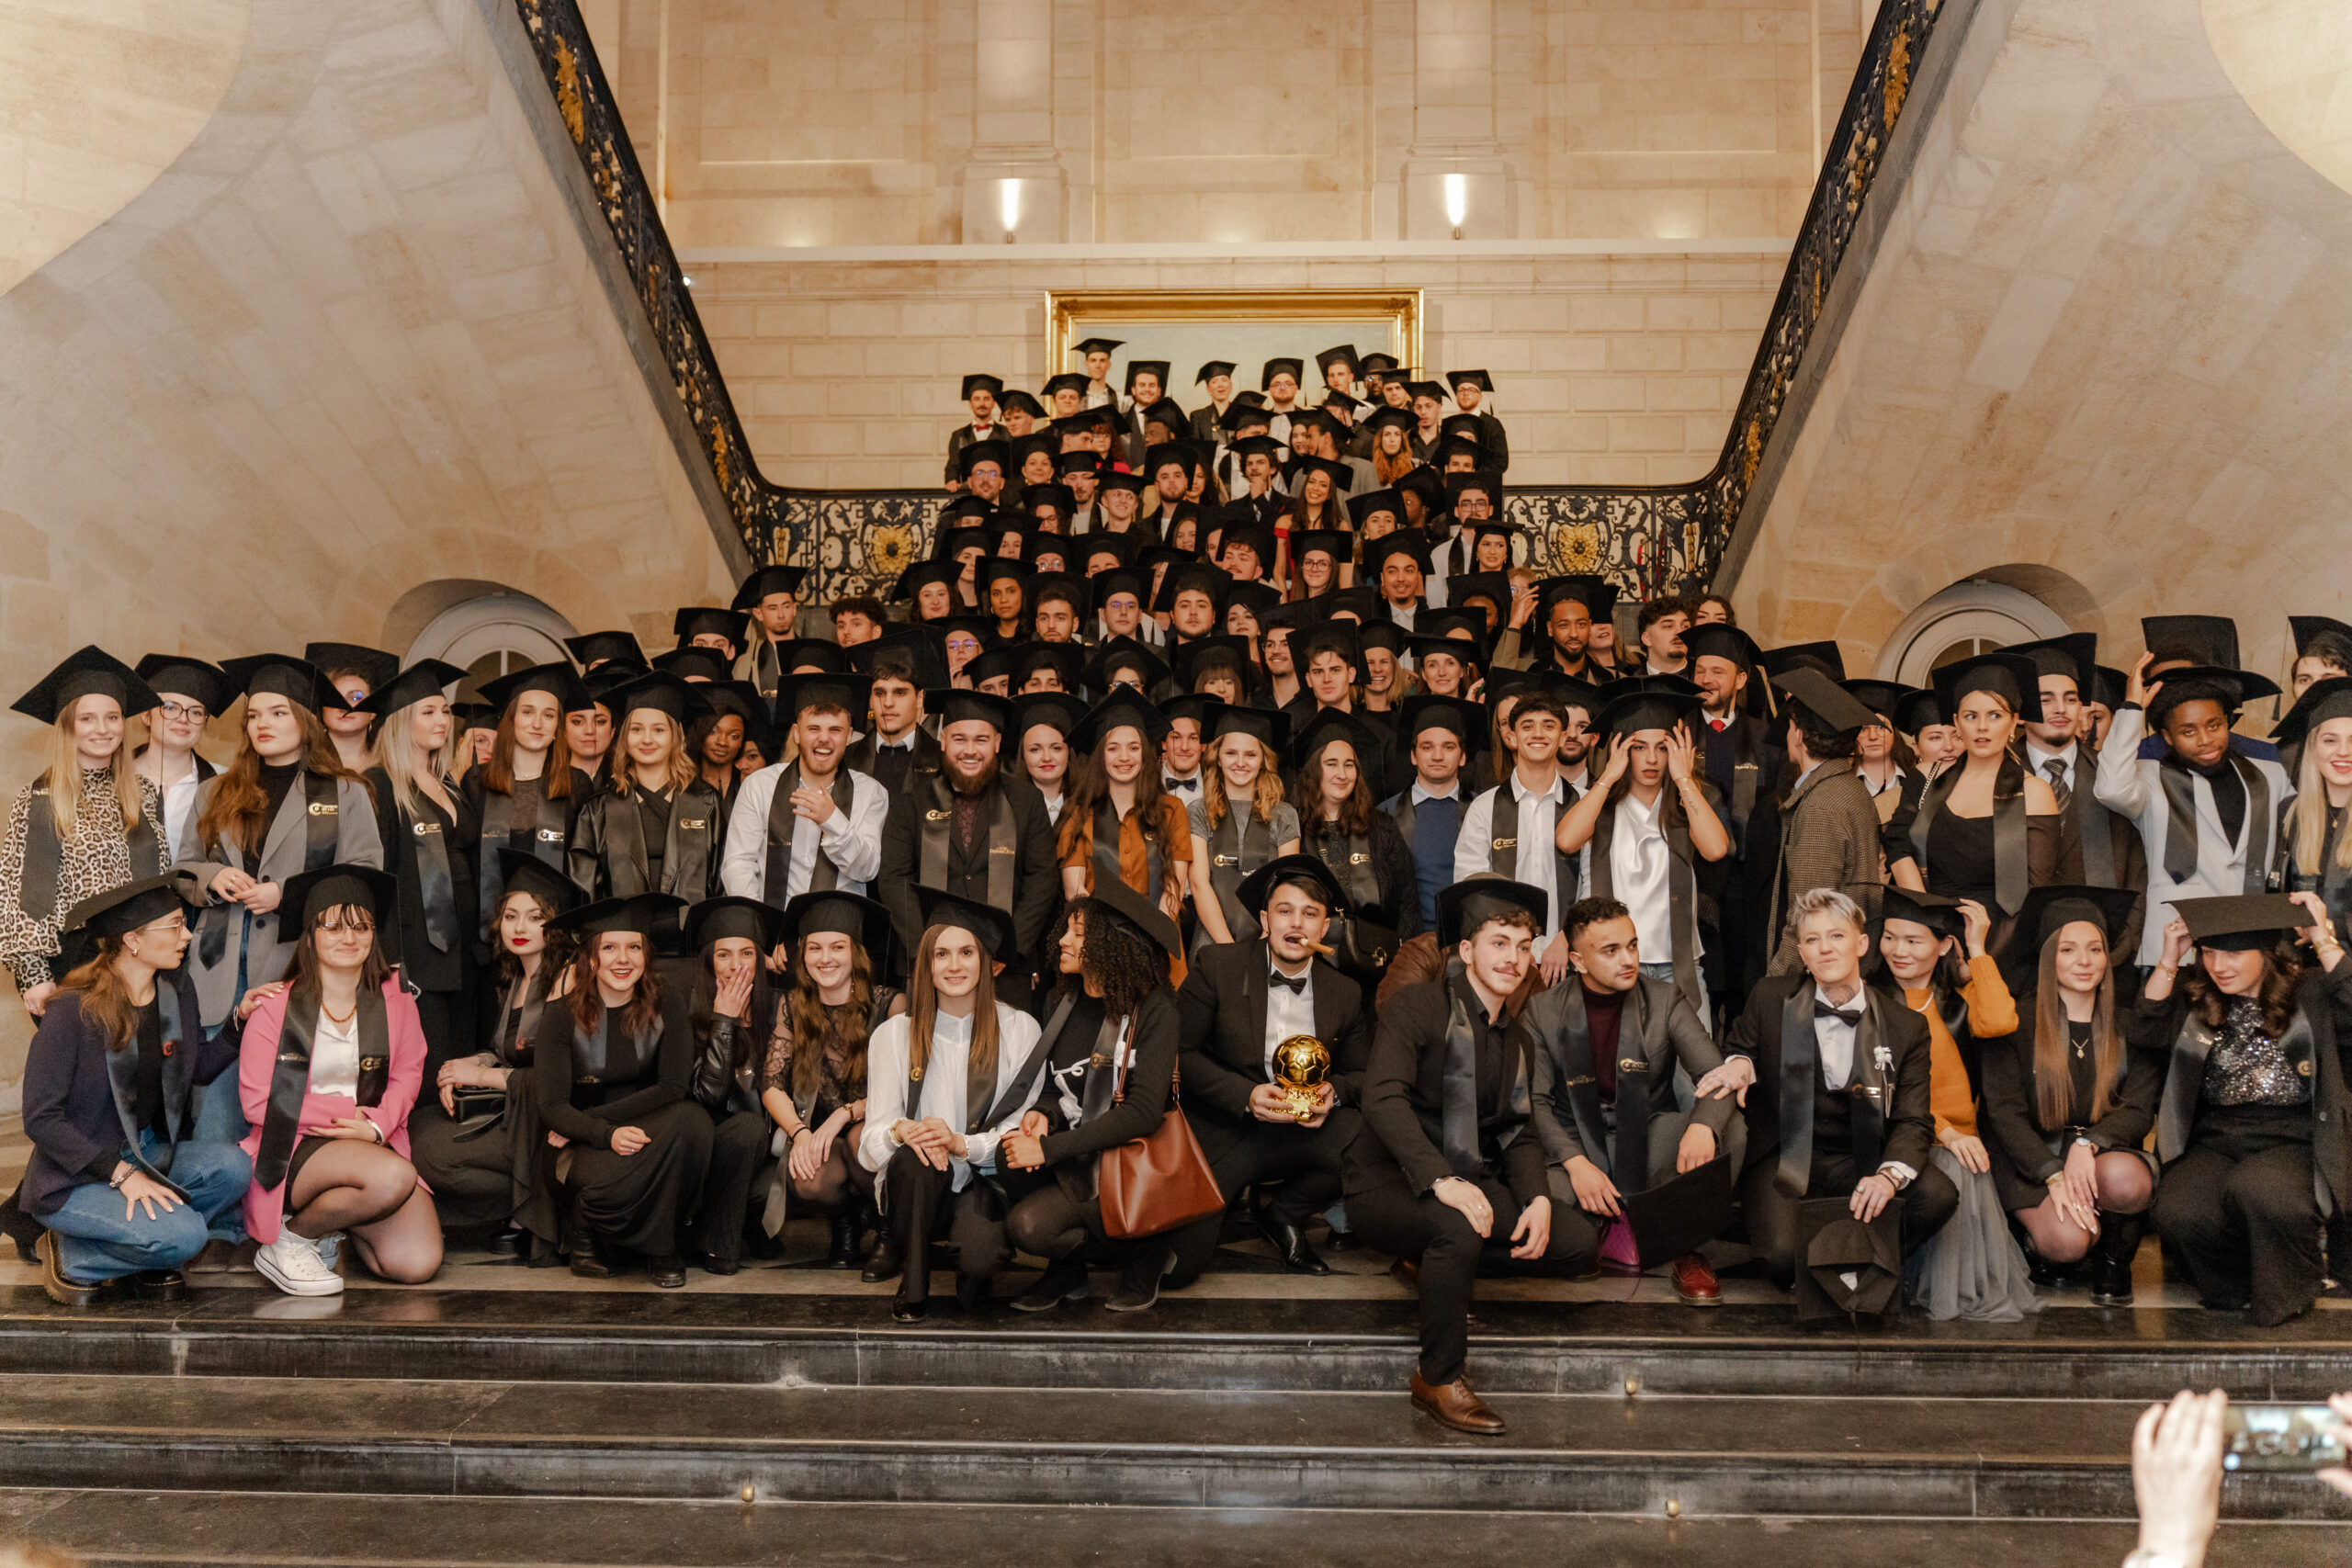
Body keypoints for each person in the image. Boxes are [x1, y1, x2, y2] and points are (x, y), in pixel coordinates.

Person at [1347, 877, 1599, 1436]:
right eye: (1499, 942)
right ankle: (1436, 1377)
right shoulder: (1417, 1007)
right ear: (1466, 951)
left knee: (1576, 1244)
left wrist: (1535, 1197)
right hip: (1389, 1181)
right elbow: (1381, 1099)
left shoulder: (1519, 1038)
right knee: (1457, 1229)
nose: (1513, 958)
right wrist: (1441, 1181)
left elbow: (1520, 1133)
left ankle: (1435, 1265)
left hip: (1467, 1180)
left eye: (1523, 945)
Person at [1713, 887, 1960, 1291]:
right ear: (1802, 952)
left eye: (1837, 936)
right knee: (1780, 1258)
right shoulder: (1771, 997)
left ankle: (1856, 1259)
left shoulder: (1905, 1026)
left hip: (1860, 1158)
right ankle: (1836, 1265)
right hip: (1786, 1157)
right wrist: (1740, 1064)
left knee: (1937, 1195)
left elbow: (1914, 1119)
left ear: (1861, 944)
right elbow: (1739, 1049)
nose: (1825, 949)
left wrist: (1886, 1177)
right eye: (1812, 940)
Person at [20, 874, 249, 1306]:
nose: (186, 936)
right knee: (188, 1236)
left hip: (143, 1152)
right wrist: (122, 1175)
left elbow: (196, 1069)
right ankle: (71, 1253)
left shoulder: (176, 990)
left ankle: (144, 1248)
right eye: (176, 926)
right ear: (132, 940)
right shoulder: (72, 1009)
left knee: (233, 1167)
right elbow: (41, 1119)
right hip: (76, 1174)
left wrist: (240, 1020)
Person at [2144, 891, 2352, 1325]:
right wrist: (2168, 959)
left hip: (2293, 1136)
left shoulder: (2309, 991)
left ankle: (2289, 1289)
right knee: (2179, 1209)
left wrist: (2323, 938)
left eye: (2234, 953)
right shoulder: (2199, 997)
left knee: (2259, 1190)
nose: (2220, 966)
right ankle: (2234, 1286)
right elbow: (2145, 1032)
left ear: (2265, 953)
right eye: (2210, 952)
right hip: (2218, 1137)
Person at [1164, 855, 1373, 1284]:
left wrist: (1334, 1092)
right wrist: (1246, 1096)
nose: (1296, 925)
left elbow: (1365, 1074)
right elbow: (1177, 1054)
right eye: (1285, 911)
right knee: (1180, 1267)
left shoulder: (1345, 991)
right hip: (1229, 1123)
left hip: (1302, 1127)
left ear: (1325, 928)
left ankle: (1283, 1213)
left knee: (1368, 1140)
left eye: (1310, 914)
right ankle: (1222, 1203)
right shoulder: (1218, 967)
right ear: (1265, 919)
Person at [1525, 896, 1742, 1307]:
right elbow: (1533, 1102)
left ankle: (1685, 1249)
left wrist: (1702, 1126)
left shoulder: (1664, 1000)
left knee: (1730, 1127)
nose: (1628, 959)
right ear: (1578, 961)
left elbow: (1716, 1076)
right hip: (1574, 1146)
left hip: (1646, 1140)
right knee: (1553, 1223)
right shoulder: (1543, 1010)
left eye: (1633, 945)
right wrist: (1574, 1163)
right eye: (1611, 950)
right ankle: (1614, 1231)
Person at [237, 864, 440, 1295]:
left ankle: (335, 1223)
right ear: (310, 936)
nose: (349, 938)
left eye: (361, 926)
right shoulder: (275, 1007)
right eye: (333, 926)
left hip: (371, 1140)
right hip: (293, 1144)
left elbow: (409, 1072)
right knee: (392, 1179)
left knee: (416, 1263)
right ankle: (295, 1237)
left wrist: (376, 1125)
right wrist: (344, 1114)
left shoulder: (396, 998)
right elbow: (257, 1102)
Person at [178, 655, 385, 1051]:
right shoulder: (214, 792)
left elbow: (364, 877)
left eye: (277, 713)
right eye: (254, 716)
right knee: (216, 1107)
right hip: (216, 966)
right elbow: (183, 870)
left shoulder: (346, 792)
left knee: (287, 1099)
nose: (263, 724)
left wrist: (288, 895)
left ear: (305, 722)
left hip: (297, 962)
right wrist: (212, 878)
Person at [858, 886, 1046, 1320]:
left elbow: (1017, 1130)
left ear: (987, 961)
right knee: (917, 1158)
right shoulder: (893, 1035)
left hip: (983, 1178)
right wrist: (901, 1131)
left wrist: (961, 1143)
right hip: (917, 1188)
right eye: (941, 954)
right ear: (926, 963)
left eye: (966, 952)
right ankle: (915, 1280)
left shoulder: (1020, 1030)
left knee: (981, 1257)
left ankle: (971, 1262)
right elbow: (870, 1148)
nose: (955, 965)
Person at [1001, 878, 1188, 1311]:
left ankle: (1149, 1252)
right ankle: (1069, 1273)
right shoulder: (1060, 1000)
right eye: (1066, 929)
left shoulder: (1156, 1009)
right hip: (1082, 1151)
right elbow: (1054, 1081)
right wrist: (1045, 1113)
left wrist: (1049, 1151)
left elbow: (1142, 1114)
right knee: (1006, 1163)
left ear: (1112, 945)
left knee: (1030, 1223)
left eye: (1078, 934)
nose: (1062, 940)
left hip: (1136, 1160)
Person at [1977, 885, 2155, 1304]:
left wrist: (2088, 1144)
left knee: (2127, 1179)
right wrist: (2049, 1171)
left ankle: (2115, 1262)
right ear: (2047, 957)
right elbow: (2003, 1113)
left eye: (2095, 949)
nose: (2084, 961)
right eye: (2069, 950)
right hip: (2029, 1157)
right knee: (2068, 1242)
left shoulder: (2129, 1026)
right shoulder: (2014, 1021)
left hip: (2096, 1156)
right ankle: (2035, 1242)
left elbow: (2140, 1109)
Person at [1870, 886, 2039, 1321]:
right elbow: (1878, 1091)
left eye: (1913, 940)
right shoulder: (1869, 1000)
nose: (1898, 951)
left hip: (1959, 1138)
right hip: (1899, 1133)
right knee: (1956, 1162)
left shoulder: (1955, 1001)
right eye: (1890, 937)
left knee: (1966, 1161)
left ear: (1944, 945)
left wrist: (1979, 949)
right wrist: (1943, 1132)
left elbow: (2001, 1020)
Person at [523, 891, 707, 1287]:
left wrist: (601, 1119)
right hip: (581, 1144)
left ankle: (660, 1248)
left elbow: (674, 1086)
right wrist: (603, 1134)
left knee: (692, 1122)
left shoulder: (667, 1003)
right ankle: (586, 1231)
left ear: (646, 955)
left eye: (634, 947)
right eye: (610, 947)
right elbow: (552, 1106)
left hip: (645, 1128)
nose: (623, 959)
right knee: (634, 1166)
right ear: (592, 958)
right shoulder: (559, 1016)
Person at [405, 851, 579, 1242]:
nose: (520, 927)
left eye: (537, 917)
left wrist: (481, 1075)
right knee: (420, 1125)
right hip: (516, 1111)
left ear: (556, 926)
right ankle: (523, 1203)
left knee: (433, 1153)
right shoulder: (517, 976)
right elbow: (508, 1051)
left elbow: (558, 1076)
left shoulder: (568, 981)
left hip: (547, 1123)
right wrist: (466, 1063)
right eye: (511, 915)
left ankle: (539, 1202)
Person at [1, 649, 174, 1020]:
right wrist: (33, 975)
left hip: (137, 962)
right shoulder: (42, 797)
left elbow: (161, 883)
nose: (103, 728)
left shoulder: (142, 793)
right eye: (87, 718)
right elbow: (18, 895)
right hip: (71, 967)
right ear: (68, 726)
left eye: (112, 717)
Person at [2096, 655, 2291, 969]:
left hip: (2246, 948)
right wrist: (2132, 708)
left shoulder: (2270, 776)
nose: (2205, 740)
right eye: (2188, 732)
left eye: (2214, 725)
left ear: (2227, 722)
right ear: (2167, 737)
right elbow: (2109, 789)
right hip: (2175, 950)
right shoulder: (2149, 779)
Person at [1554, 680, 1729, 1026]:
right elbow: (1567, 841)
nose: (1651, 759)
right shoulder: (1601, 804)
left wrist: (1684, 779)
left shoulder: (1686, 802)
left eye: (1662, 748)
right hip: (1610, 965)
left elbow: (1715, 849)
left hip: (1677, 965)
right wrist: (1607, 776)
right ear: (1622, 750)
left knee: (1696, 1076)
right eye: (1639, 748)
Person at [874, 690, 1061, 997]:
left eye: (981, 740)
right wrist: (929, 948)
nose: (970, 750)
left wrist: (1008, 948)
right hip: (927, 965)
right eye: (960, 739)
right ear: (943, 741)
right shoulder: (911, 802)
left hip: (1004, 966)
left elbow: (1042, 880)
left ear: (998, 743)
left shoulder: (1026, 801)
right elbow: (894, 880)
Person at [764, 889, 900, 1270]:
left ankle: (888, 1231)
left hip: (872, 1127)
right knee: (806, 1178)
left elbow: (908, 1092)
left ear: (855, 953)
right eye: (815, 949)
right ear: (803, 957)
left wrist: (846, 1114)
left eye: (837, 947)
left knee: (862, 1141)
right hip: (821, 1134)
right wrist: (799, 1133)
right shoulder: (792, 1005)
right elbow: (772, 1084)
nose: (826, 959)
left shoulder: (890, 1005)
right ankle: (846, 1222)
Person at [1886, 654, 2062, 944]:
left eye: (1995, 715)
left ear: (2014, 721)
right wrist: (1926, 925)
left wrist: (1981, 957)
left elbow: (2033, 894)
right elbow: (1898, 844)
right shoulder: (1929, 781)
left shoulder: (2033, 791)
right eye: (1971, 716)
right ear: (1956, 721)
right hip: (1927, 937)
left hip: (2001, 940)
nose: (1982, 727)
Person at [359, 660, 480, 1071]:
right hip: (416, 953)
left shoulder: (448, 782)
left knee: (464, 1061)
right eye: (427, 712)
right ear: (399, 721)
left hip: (463, 950)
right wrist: (388, 957)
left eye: (444, 710)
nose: (442, 720)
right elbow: (375, 877)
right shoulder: (379, 784)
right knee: (430, 1065)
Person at [680, 895, 786, 1274]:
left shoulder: (779, 1011)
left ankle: (745, 1224)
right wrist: (722, 1021)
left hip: (768, 1156)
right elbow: (707, 1097)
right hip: (710, 1153)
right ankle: (719, 1245)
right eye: (723, 955)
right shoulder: (687, 1014)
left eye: (747, 954)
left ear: (760, 960)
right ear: (709, 960)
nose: (736, 966)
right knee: (745, 1128)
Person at [465, 661, 597, 960]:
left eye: (548, 715)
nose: (538, 723)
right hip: (488, 945)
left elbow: (582, 869)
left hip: (555, 945)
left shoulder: (577, 785)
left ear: (557, 727)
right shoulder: (477, 783)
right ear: (510, 720)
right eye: (528, 712)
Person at [719, 673, 887, 907]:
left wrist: (831, 820)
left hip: (838, 931)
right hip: (773, 926)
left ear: (849, 736)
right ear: (797, 733)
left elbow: (866, 870)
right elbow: (738, 864)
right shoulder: (759, 786)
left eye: (835, 730)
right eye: (814, 729)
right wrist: (760, 925)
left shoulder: (872, 793)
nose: (824, 739)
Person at [1759, 668, 1884, 974]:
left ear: (1799, 735)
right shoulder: (1849, 786)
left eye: (1790, 727)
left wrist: (1776, 981)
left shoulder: (1820, 805)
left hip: (1822, 973)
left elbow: (1809, 915)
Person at [1453, 690, 1579, 983]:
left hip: (1571, 959)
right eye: (1527, 725)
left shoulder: (1584, 805)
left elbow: (1596, 882)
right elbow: (1470, 886)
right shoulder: (1484, 808)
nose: (1538, 733)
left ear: (1562, 736)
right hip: (1503, 965)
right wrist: (1516, 949)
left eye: (1549, 725)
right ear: (1511, 736)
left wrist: (1568, 938)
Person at [568, 672, 724, 906]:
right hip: (623, 935)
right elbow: (585, 891)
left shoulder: (705, 802)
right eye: (637, 729)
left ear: (677, 735)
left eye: (659, 730)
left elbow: (719, 881)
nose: (647, 739)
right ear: (624, 737)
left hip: (689, 934)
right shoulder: (599, 808)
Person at [1294, 711, 1422, 964]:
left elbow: (1407, 901)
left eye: (1349, 764)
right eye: (1331, 764)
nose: (1342, 774)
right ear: (1312, 770)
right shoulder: (1294, 831)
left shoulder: (1382, 828)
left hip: (1379, 963)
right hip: (1314, 966)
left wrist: (1401, 962)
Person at [1057, 693, 1191, 927]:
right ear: (1100, 756)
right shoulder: (1077, 816)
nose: (1124, 757)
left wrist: (1153, 936)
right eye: (1113, 749)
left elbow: (1174, 888)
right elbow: (1074, 892)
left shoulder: (1171, 810)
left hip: (1160, 941)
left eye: (1134, 747)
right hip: (1097, 942)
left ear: (1144, 753)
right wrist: (1111, 943)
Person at [1186, 707, 1300, 948]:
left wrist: (1261, 945)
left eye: (1250, 755)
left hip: (1268, 943)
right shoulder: (1199, 811)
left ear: (1263, 760)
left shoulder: (1285, 815)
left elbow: (1286, 885)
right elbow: (1198, 883)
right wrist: (1229, 949)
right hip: (1211, 945)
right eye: (1230, 753)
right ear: (1217, 757)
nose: (1240, 762)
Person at [1379, 696, 1477, 935]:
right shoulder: (1384, 814)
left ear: (1462, 756)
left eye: (1448, 746)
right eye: (1427, 747)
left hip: (1470, 944)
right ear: (1413, 755)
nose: (1437, 756)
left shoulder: (1483, 810)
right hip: (1406, 947)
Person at [131, 654, 230, 865]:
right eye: (170, 707)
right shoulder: (113, 775)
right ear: (146, 715)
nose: (183, 718)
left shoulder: (225, 783)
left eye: (196, 712)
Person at [2276, 676, 2352, 939]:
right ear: (2313, 747)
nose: (2343, 751)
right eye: (2330, 740)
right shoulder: (2289, 814)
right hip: (2298, 967)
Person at [307, 643, 396, 774]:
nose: (344, 707)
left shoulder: (391, 771)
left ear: (373, 712)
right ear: (322, 709)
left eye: (356, 697)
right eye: (334, 697)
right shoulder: (305, 766)